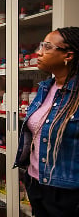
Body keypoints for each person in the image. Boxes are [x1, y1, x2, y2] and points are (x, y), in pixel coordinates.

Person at [14, 27, 79, 216]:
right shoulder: (45, 88)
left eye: (47, 47)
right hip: (36, 182)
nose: (39, 52)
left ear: (68, 55)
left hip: (66, 192)